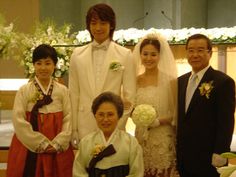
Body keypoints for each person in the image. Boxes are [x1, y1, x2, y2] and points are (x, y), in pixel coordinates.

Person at [69, 3, 136, 147]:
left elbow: (130, 96)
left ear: (111, 25)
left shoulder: (124, 55)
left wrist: (118, 123)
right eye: (94, 23)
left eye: (103, 23)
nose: (98, 28)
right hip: (84, 124)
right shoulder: (77, 55)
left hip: (113, 125)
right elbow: (73, 94)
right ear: (88, 26)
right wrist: (73, 129)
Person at [6, 44, 74, 177]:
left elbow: (68, 118)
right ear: (33, 65)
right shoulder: (24, 91)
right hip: (28, 146)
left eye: (48, 63)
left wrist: (57, 144)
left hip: (57, 144)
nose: (43, 68)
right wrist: (40, 144)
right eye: (39, 63)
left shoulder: (62, 90)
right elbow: (18, 120)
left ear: (55, 65)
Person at [176, 33, 235, 177]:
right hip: (184, 157)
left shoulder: (223, 82)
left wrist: (220, 153)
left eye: (200, 50)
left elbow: (226, 122)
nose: (195, 55)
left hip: (209, 157)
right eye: (191, 50)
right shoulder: (180, 82)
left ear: (210, 53)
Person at [132, 33, 179, 177]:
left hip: (163, 137)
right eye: (145, 54)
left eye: (153, 54)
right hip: (141, 137)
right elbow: (130, 108)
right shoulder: (135, 80)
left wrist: (158, 121)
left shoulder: (170, 81)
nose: (148, 58)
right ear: (140, 55)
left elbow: (176, 114)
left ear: (160, 56)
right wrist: (137, 117)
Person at [73, 91, 144, 177]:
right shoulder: (85, 142)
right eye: (101, 114)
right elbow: (78, 172)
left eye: (110, 114)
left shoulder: (131, 143)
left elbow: (136, 174)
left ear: (119, 115)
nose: (105, 119)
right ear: (95, 116)